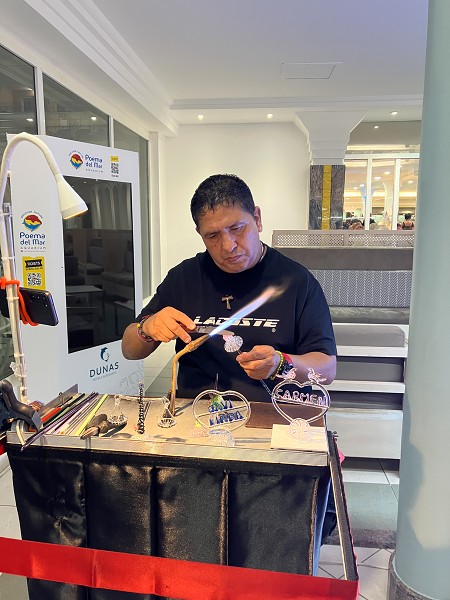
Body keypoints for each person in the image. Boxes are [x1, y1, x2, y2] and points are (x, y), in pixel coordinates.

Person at [122, 174, 337, 404]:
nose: (228, 246)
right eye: (213, 235)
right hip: (198, 412)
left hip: (272, 413)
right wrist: (147, 329)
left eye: (237, 228)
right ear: (200, 234)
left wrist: (280, 364)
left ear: (257, 219)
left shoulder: (297, 282)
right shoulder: (183, 278)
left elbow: (327, 370)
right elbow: (129, 350)